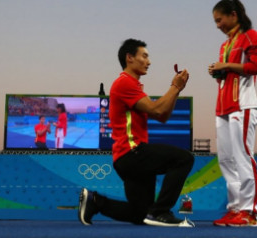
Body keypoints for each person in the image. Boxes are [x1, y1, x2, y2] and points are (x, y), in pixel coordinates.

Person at [78, 38, 194, 227]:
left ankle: (95, 201)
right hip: (132, 153)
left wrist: (177, 89)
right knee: (184, 158)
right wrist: (175, 87)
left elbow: (162, 115)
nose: (149, 62)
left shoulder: (134, 86)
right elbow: (157, 110)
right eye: (145, 56)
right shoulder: (125, 83)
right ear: (130, 58)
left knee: (141, 214)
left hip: (126, 158)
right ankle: (162, 212)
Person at [207, 0, 257, 227]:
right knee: (226, 159)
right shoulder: (225, 45)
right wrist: (218, 72)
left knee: (243, 157)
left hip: (243, 105)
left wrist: (227, 67)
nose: (218, 25)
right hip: (222, 105)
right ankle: (235, 209)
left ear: (233, 15)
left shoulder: (251, 36)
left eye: (219, 20)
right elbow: (229, 73)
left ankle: (249, 212)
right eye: (215, 21)